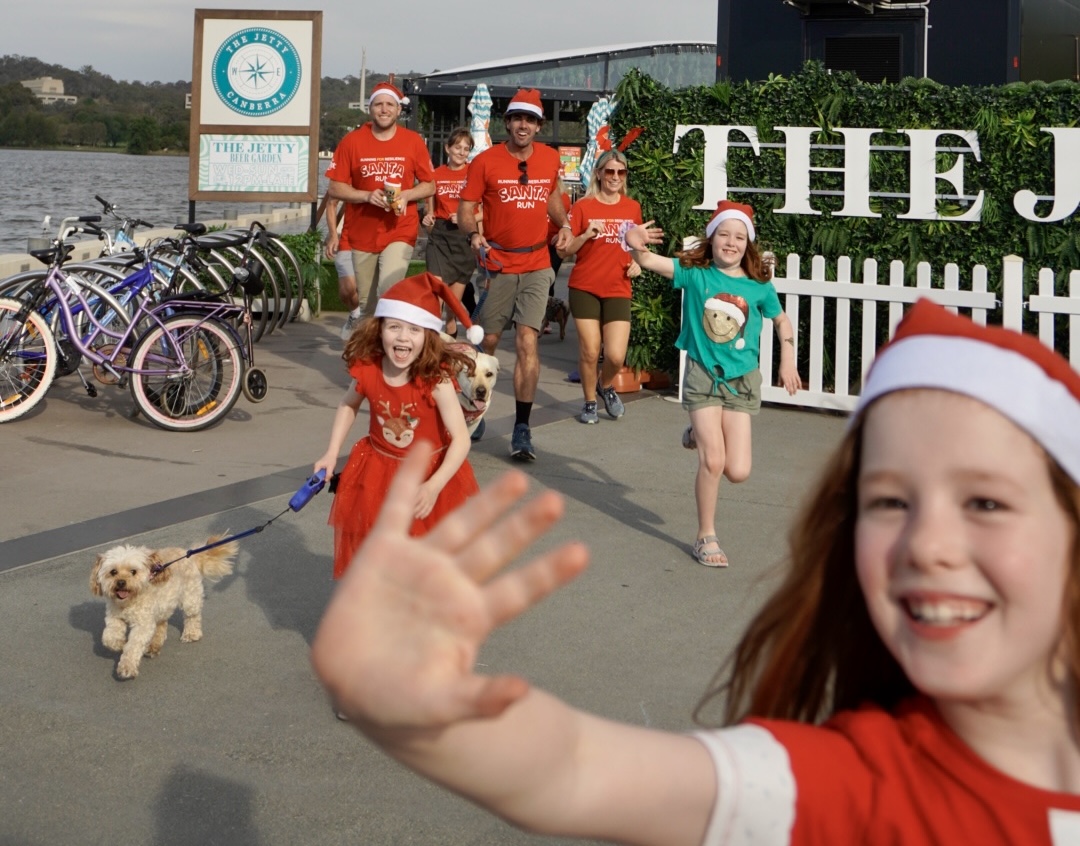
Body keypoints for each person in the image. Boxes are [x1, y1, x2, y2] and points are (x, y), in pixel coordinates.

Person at [313, 297, 1080, 844]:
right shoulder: (854, 789)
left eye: (985, 501)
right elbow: (571, 771)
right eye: (888, 502)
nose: (929, 545)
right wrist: (416, 703)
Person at [626, 200, 801, 567]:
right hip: (703, 378)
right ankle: (706, 536)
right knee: (714, 460)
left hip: (742, 383)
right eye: (724, 234)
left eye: (740, 236)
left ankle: (694, 433)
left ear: (748, 244)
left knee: (738, 471)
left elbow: (782, 321)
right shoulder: (697, 274)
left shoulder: (758, 287)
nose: (731, 242)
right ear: (712, 237)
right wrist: (634, 240)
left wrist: (787, 359)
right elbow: (647, 262)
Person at [312, 271, 484, 581]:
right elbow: (348, 404)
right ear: (379, 330)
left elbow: (461, 439)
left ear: (428, 335)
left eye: (414, 329)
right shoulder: (370, 369)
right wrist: (330, 453)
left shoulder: (436, 379)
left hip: (430, 476)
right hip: (377, 471)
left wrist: (434, 485)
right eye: (394, 327)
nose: (403, 337)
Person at [458, 88, 574, 461]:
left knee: (528, 340)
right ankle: (473, 408)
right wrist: (475, 234)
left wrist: (565, 223)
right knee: (487, 341)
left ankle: (522, 428)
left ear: (538, 126)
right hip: (498, 265)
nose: (523, 125)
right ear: (506, 122)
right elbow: (465, 208)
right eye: (517, 118)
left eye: (531, 119)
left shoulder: (551, 159)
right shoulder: (485, 161)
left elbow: (551, 197)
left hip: (538, 264)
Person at [325, 81, 435, 340]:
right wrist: (365, 195)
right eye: (378, 104)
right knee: (368, 307)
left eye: (389, 105)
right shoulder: (352, 142)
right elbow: (335, 188)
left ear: (398, 110)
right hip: (362, 234)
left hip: (400, 229)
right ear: (370, 109)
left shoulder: (412, 141)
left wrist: (408, 194)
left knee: (389, 293)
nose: (384, 109)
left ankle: (392, 363)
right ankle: (363, 367)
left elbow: (430, 185)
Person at [557, 150, 643, 424]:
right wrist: (584, 235)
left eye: (621, 172)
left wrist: (637, 263)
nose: (615, 177)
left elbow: (638, 247)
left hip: (618, 286)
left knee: (616, 356)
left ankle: (605, 386)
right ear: (598, 173)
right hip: (585, 287)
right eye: (609, 171)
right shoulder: (583, 207)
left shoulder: (632, 207)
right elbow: (565, 251)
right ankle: (590, 402)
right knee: (591, 350)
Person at [421, 128, 480, 337]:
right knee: (436, 295)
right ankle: (432, 348)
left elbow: (486, 211)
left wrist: (466, 218)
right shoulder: (435, 175)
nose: (462, 152)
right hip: (439, 237)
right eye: (458, 147)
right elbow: (429, 211)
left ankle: (451, 333)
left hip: (464, 238)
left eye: (466, 149)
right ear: (448, 148)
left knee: (453, 307)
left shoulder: (474, 173)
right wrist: (427, 218)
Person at [322, 195, 357, 320]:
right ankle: (356, 314)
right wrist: (333, 236)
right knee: (347, 290)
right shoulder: (348, 177)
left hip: (384, 239)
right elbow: (331, 202)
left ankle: (366, 323)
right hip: (349, 237)